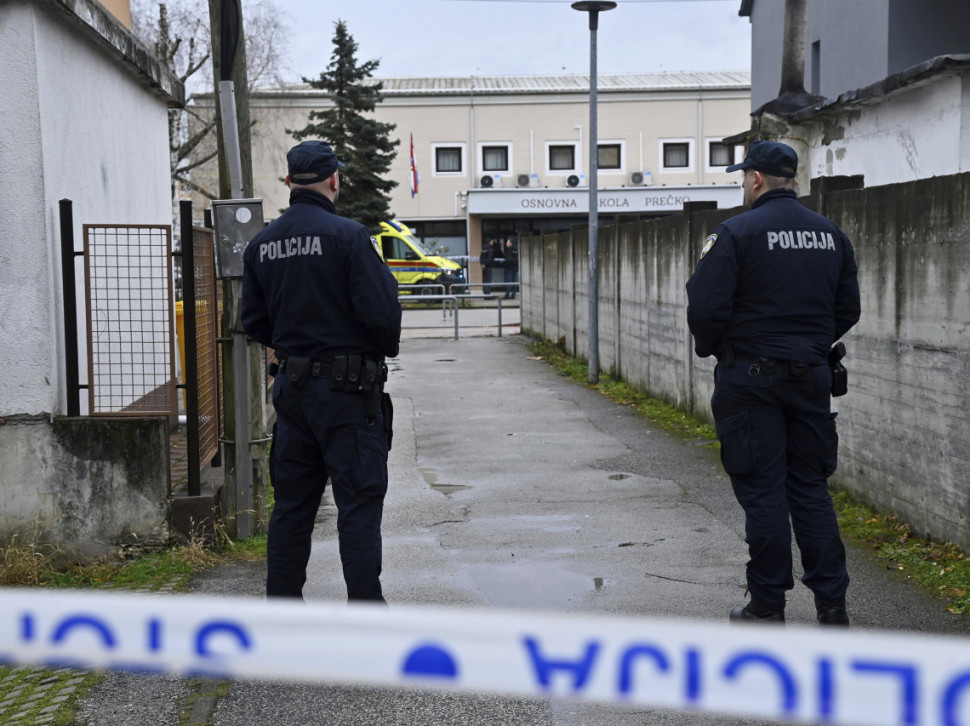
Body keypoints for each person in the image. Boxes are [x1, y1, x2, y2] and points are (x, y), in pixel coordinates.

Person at [685, 140, 861, 626]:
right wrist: (808, 345)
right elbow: (848, 307)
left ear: (756, 179)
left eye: (744, 177)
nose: (744, 185)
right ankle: (833, 608)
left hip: (751, 380)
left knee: (764, 492)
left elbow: (704, 307)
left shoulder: (736, 232)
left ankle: (766, 606)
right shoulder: (831, 235)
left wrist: (719, 349)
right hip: (812, 377)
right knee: (810, 489)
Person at [241, 139, 402, 602]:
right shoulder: (349, 237)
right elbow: (383, 316)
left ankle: (283, 610)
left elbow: (253, 322)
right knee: (358, 505)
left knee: (292, 508)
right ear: (334, 179)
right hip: (349, 397)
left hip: (293, 395)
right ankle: (366, 612)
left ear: (289, 182)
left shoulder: (261, 245)